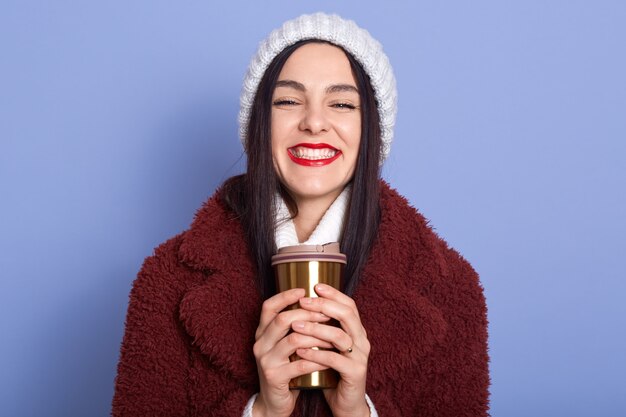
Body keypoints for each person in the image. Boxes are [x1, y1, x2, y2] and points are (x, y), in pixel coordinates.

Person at [112, 12, 490, 417]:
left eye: (342, 103)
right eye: (288, 101)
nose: (313, 122)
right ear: (259, 123)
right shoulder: (167, 281)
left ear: (372, 131)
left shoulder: (450, 288)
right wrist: (263, 412)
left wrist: (356, 413)